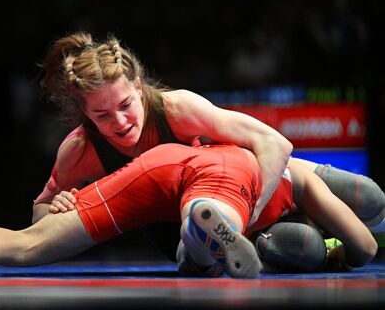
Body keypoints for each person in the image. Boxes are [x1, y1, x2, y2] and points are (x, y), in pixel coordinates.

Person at [0, 143, 378, 279]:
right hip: (223, 181)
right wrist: (335, 254)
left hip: (158, 168)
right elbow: (366, 246)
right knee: (214, 207)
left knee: (26, 246)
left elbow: (35, 217)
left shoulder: (192, 124)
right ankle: (200, 244)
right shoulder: (301, 174)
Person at [33, 31, 293, 259]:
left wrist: (252, 214)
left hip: (231, 209)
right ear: (85, 113)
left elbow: (275, 143)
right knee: (305, 246)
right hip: (179, 244)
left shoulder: (179, 110)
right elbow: (39, 215)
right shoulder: (79, 149)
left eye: (125, 105)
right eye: (102, 115)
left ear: (138, 87)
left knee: (317, 189)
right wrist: (56, 207)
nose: (120, 122)